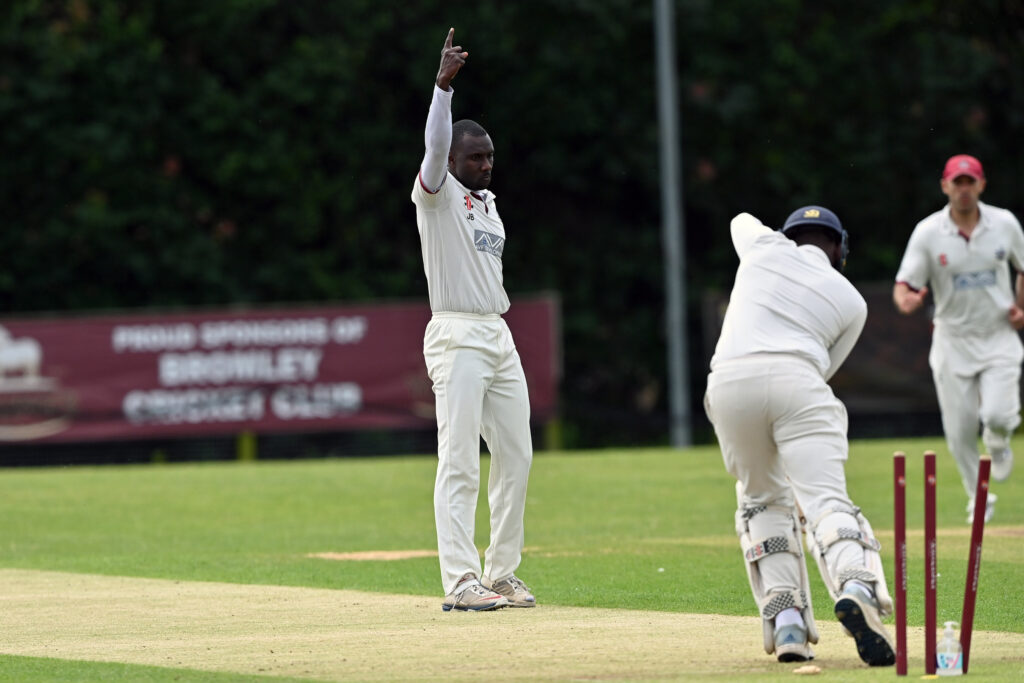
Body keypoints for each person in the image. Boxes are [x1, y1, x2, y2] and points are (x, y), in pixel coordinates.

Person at [704, 207, 895, 667]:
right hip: (798, 377)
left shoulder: (762, 246)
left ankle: (788, 623)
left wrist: (775, 244)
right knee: (825, 500)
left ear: (790, 236)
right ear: (839, 247)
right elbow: (825, 367)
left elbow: (739, 219)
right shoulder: (853, 301)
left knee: (760, 500)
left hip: (729, 384)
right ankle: (855, 585)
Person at [410, 28, 535, 612]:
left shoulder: (489, 206)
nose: (485, 165)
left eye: (489, 157)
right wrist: (442, 89)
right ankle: (461, 580)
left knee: (516, 454)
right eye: (475, 158)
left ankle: (501, 573)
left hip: (497, 333)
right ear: (453, 162)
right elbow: (435, 146)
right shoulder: (436, 198)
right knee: (459, 458)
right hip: (456, 333)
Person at [893, 154, 1023, 523]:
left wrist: (1020, 307)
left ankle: (998, 439)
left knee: (998, 415)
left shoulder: (1005, 223)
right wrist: (907, 302)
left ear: (981, 185)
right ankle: (978, 496)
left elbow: (1022, 267)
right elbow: (903, 285)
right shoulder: (928, 232)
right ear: (945, 186)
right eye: (957, 182)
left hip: (998, 335)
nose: (964, 189)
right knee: (960, 429)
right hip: (952, 340)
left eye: (970, 182)